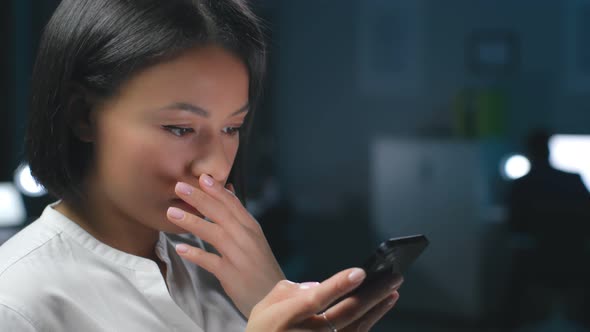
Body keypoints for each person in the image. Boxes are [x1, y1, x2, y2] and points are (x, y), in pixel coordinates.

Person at [0, 1, 402, 331]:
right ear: (82, 117)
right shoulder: (16, 303)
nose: (214, 167)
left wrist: (271, 296)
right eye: (179, 129)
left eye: (232, 127)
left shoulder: (211, 268)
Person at [504, 129, 590, 328]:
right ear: (549, 150)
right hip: (575, 256)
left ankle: (510, 324)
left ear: (528, 152)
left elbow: (514, 226)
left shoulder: (523, 184)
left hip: (538, 258)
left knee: (514, 274)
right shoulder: (573, 179)